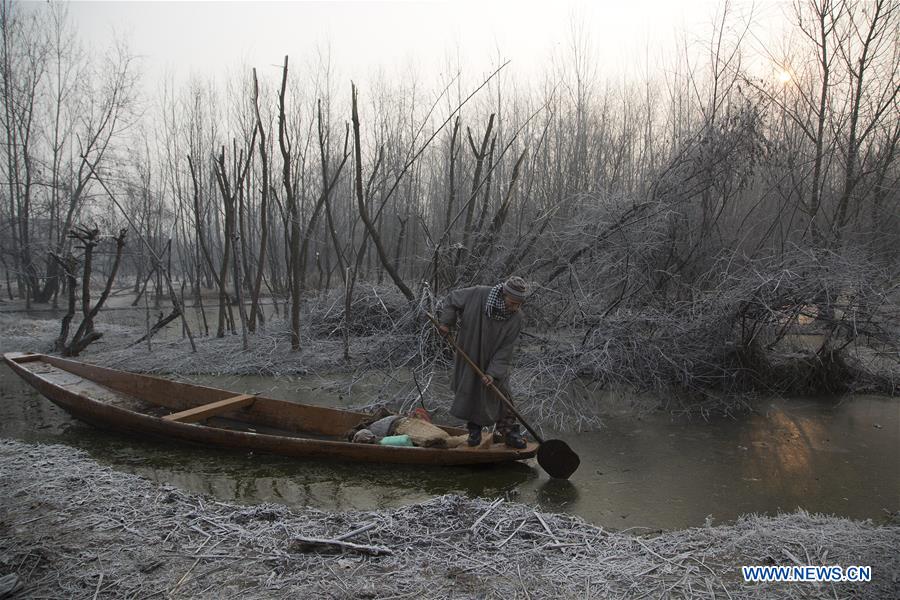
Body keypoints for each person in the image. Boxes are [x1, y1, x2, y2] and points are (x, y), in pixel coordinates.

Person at [438, 276, 529, 449]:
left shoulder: (516, 318)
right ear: (503, 294)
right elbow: (451, 300)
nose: (515, 308)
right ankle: (474, 431)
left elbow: (506, 349)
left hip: (495, 360)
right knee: (471, 390)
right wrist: (446, 322)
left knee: (502, 394)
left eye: (518, 304)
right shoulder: (478, 294)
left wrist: (492, 373)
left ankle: (509, 433)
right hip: (470, 352)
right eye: (512, 303)